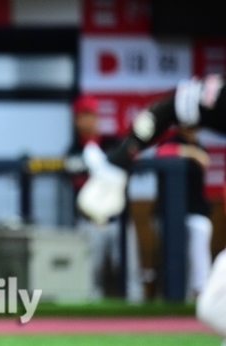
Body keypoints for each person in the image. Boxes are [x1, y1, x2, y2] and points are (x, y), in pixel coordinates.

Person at [73, 74, 226, 342]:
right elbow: (171, 106)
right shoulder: (189, 130)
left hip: (198, 216)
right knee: (212, 305)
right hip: (166, 217)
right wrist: (123, 154)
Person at [64, 94, 122, 299]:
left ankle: (136, 318)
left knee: (126, 270)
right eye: (83, 115)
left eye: (91, 114)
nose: (87, 120)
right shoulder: (73, 150)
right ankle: (88, 322)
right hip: (88, 220)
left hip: (117, 220)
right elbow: (75, 180)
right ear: (76, 119)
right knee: (89, 274)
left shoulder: (112, 144)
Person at [153, 125, 212, 299]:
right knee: (173, 251)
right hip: (167, 213)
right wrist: (189, 152)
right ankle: (172, 295)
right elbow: (161, 153)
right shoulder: (170, 143)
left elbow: (205, 161)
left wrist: (195, 151)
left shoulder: (200, 146)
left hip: (194, 211)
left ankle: (201, 290)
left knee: (201, 230)